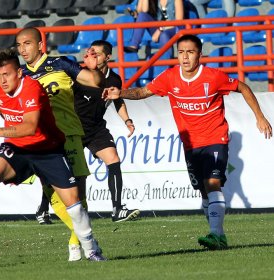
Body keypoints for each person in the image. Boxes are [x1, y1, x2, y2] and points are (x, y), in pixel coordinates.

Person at [103, 34, 272, 250]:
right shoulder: (170, 77)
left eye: (190, 52)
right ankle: (218, 235)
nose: (185, 57)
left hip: (215, 137)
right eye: (181, 52)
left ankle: (216, 234)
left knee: (212, 183)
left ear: (199, 55)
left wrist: (259, 116)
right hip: (190, 143)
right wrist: (120, 93)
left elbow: (243, 88)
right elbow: (142, 92)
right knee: (202, 190)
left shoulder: (213, 77)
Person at [0, 48, 106, 261]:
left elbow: (30, 127)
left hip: (48, 150)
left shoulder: (32, 87)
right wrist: (2, 109)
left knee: (73, 204)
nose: (2, 80)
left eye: (6, 74)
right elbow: (7, 107)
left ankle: (91, 250)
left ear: (19, 73)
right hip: (18, 149)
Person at [16, 27, 104, 261]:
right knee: (52, 193)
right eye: (19, 45)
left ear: (40, 45)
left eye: (27, 44)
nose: (22, 49)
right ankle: (84, 239)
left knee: (78, 193)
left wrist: (94, 70)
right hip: (41, 141)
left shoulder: (61, 64)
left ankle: (78, 241)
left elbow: (95, 82)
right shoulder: (20, 75)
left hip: (68, 135)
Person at [73, 40, 140, 222]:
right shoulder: (79, 75)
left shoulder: (114, 79)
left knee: (114, 160)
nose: (92, 56)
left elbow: (118, 100)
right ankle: (43, 208)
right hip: (73, 128)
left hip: (95, 129)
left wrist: (127, 120)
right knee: (72, 173)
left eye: (97, 54)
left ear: (108, 57)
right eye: (91, 52)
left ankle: (117, 209)